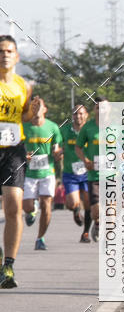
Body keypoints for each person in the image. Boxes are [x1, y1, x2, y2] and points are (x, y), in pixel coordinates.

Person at [0, 35, 41, 287]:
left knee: (14, 207)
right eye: (1, 50)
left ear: (17, 56)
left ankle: (9, 267)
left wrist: (32, 112)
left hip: (14, 149)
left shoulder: (23, 85)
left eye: (9, 51)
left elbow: (24, 114)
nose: (5, 54)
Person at [22, 98, 63, 250]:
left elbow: (58, 148)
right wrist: (23, 155)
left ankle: (40, 238)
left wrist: (58, 153)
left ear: (45, 110)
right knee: (26, 207)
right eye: (34, 105)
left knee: (47, 206)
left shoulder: (52, 127)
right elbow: (17, 147)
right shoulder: (24, 127)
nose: (37, 107)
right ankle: (31, 210)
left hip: (47, 172)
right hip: (29, 174)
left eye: (40, 105)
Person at [75, 98, 105, 241]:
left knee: (112, 209)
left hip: (113, 175)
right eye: (98, 107)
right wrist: (85, 160)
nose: (102, 110)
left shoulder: (117, 127)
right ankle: (97, 223)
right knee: (95, 210)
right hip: (95, 175)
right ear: (94, 110)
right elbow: (78, 147)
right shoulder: (88, 128)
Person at [61, 104, 92, 242]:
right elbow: (57, 144)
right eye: (75, 113)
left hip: (88, 173)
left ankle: (85, 233)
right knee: (71, 203)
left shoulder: (91, 130)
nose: (78, 116)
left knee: (88, 203)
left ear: (86, 115)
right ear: (72, 116)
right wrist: (57, 152)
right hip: (70, 172)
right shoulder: (65, 130)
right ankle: (75, 210)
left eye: (81, 113)